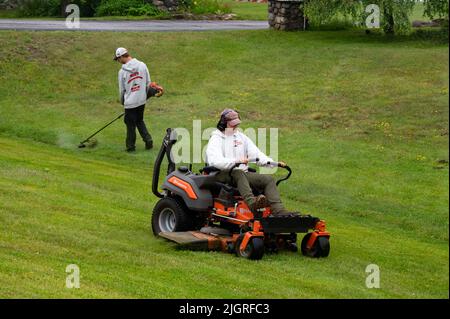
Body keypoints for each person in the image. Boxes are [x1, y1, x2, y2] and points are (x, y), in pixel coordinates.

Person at [205, 109, 295, 216]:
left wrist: (273, 163)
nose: (235, 127)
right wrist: (237, 161)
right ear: (223, 123)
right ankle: (253, 204)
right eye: (232, 125)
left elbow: (257, 154)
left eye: (236, 124)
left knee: (268, 179)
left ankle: (279, 211)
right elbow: (215, 161)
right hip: (221, 174)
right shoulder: (216, 138)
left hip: (240, 174)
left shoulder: (241, 137)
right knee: (238, 172)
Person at [114, 47, 153, 152]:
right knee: (139, 120)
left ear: (122, 56)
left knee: (130, 125)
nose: (118, 61)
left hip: (130, 103)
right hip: (141, 100)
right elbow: (148, 83)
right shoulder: (142, 65)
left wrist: (123, 102)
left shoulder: (122, 72)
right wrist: (145, 95)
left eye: (118, 58)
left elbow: (122, 90)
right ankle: (148, 140)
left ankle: (130, 147)